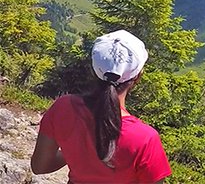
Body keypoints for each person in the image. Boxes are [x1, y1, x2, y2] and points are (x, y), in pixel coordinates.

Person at [31, 30, 172, 183]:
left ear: (94, 69)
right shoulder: (145, 139)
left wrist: (74, 150)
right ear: (138, 76)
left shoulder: (63, 107)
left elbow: (40, 166)